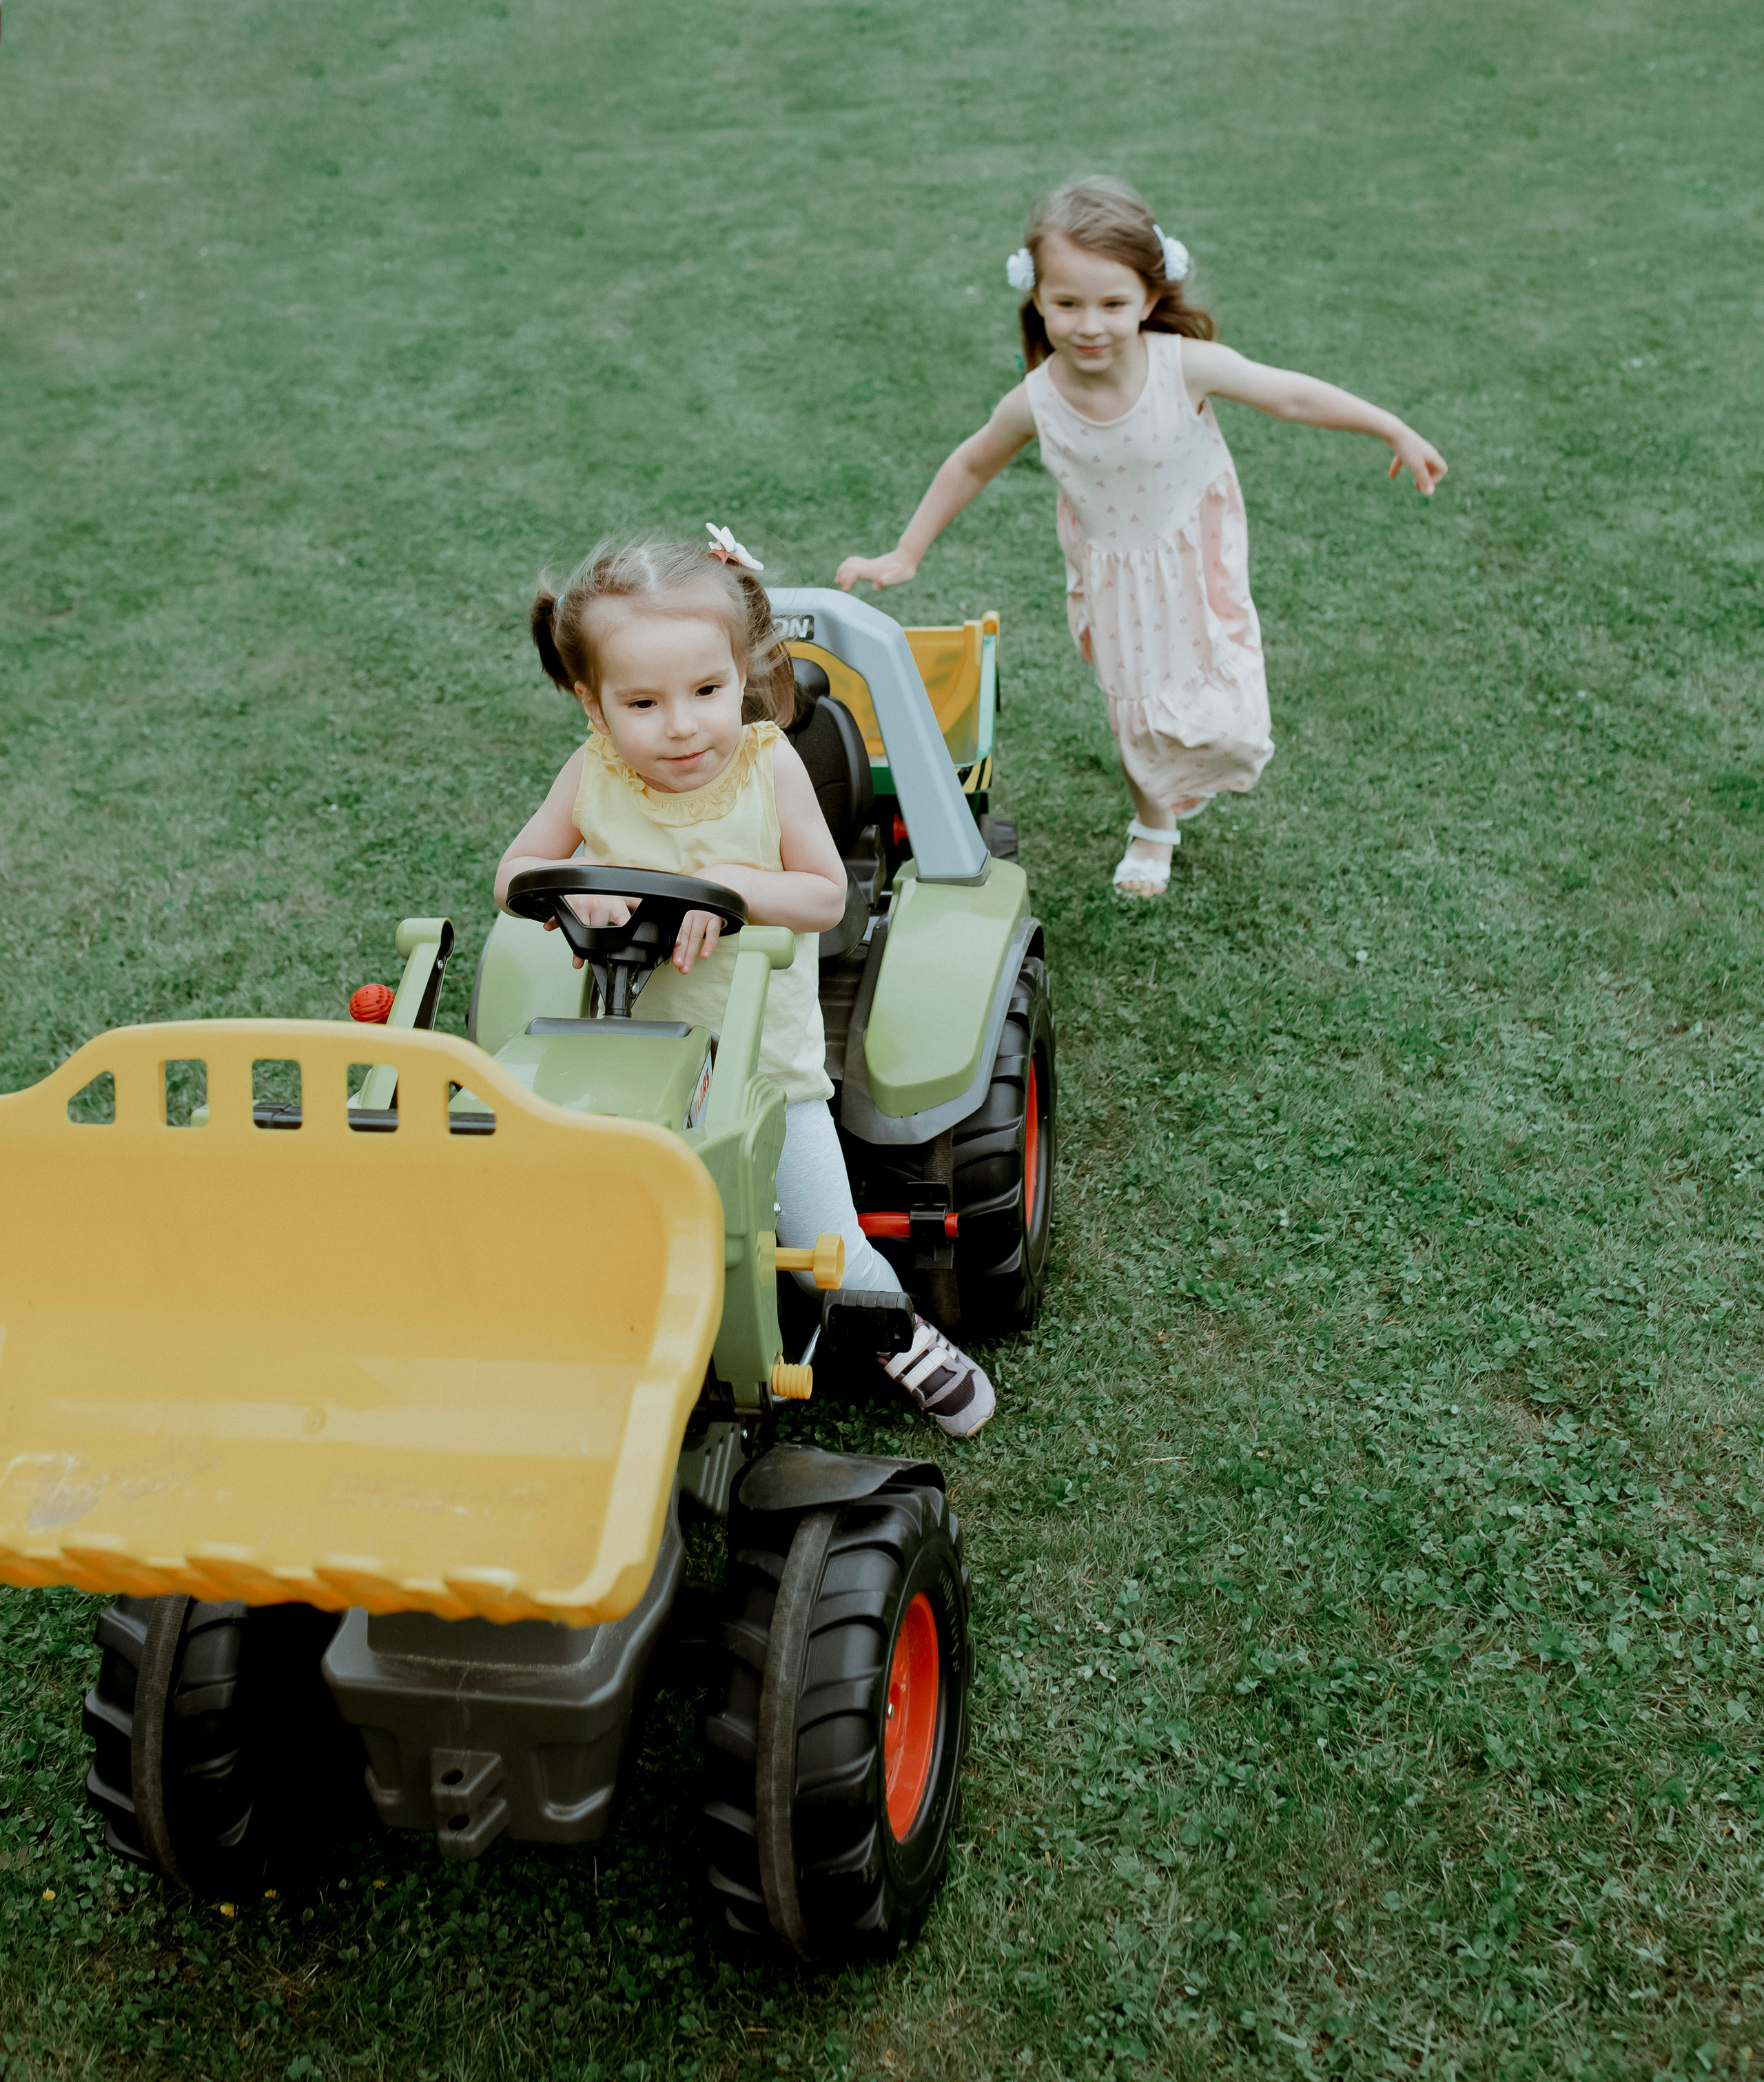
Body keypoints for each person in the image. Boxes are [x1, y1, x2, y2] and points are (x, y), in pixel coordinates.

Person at [495, 526, 996, 1436]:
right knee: (601, 1216)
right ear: (592, 704)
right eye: (643, 701)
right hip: (634, 1063)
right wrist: (578, 892)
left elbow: (819, 894)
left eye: (706, 691)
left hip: (764, 1068)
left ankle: (901, 1339)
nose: (682, 724)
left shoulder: (770, 766)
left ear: (741, 675)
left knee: (821, 1242)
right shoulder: (591, 774)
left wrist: (731, 887)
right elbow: (513, 875)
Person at [836, 176, 1447, 898]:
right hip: (1113, 576)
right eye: (1066, 304)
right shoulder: (1036, 400)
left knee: (1225, 699)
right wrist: (905, 551)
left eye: (1112, 304)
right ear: (1036, 298)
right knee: (1135, 704)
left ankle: (1206, 763)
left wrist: (1392, 426)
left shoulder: (1181, 366)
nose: (1088, 325)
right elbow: (971, 461)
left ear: (1150, 299)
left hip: (1194, 549)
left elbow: (1287, 392)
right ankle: (1152, 824)